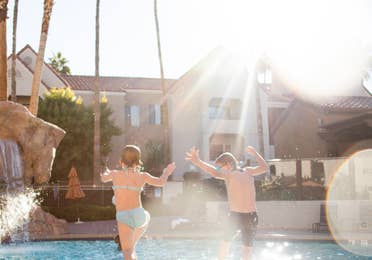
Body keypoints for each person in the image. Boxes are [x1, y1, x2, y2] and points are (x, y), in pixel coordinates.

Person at [185, 146, 268, 260]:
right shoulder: (228, 175)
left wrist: (255, 153)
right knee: (225, 242)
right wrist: (198, 161)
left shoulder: (248, 171)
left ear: (228, 164)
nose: (219, 170)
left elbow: (264, 167)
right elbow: (213, 172)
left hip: (251, 216)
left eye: (220, 167)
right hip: (235, 215)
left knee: (247, 249)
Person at [101, 145, 176, 260]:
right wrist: (166, 172)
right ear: (138, 162)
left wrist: (105, 170)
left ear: (121, 161)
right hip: (139, 215)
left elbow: (103, 178)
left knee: (127, 251)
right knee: (133, 244)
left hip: (123, 216)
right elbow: (161, 182)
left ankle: (131, 248)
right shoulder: (142, 176)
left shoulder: (114, 174)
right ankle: (133, 246)